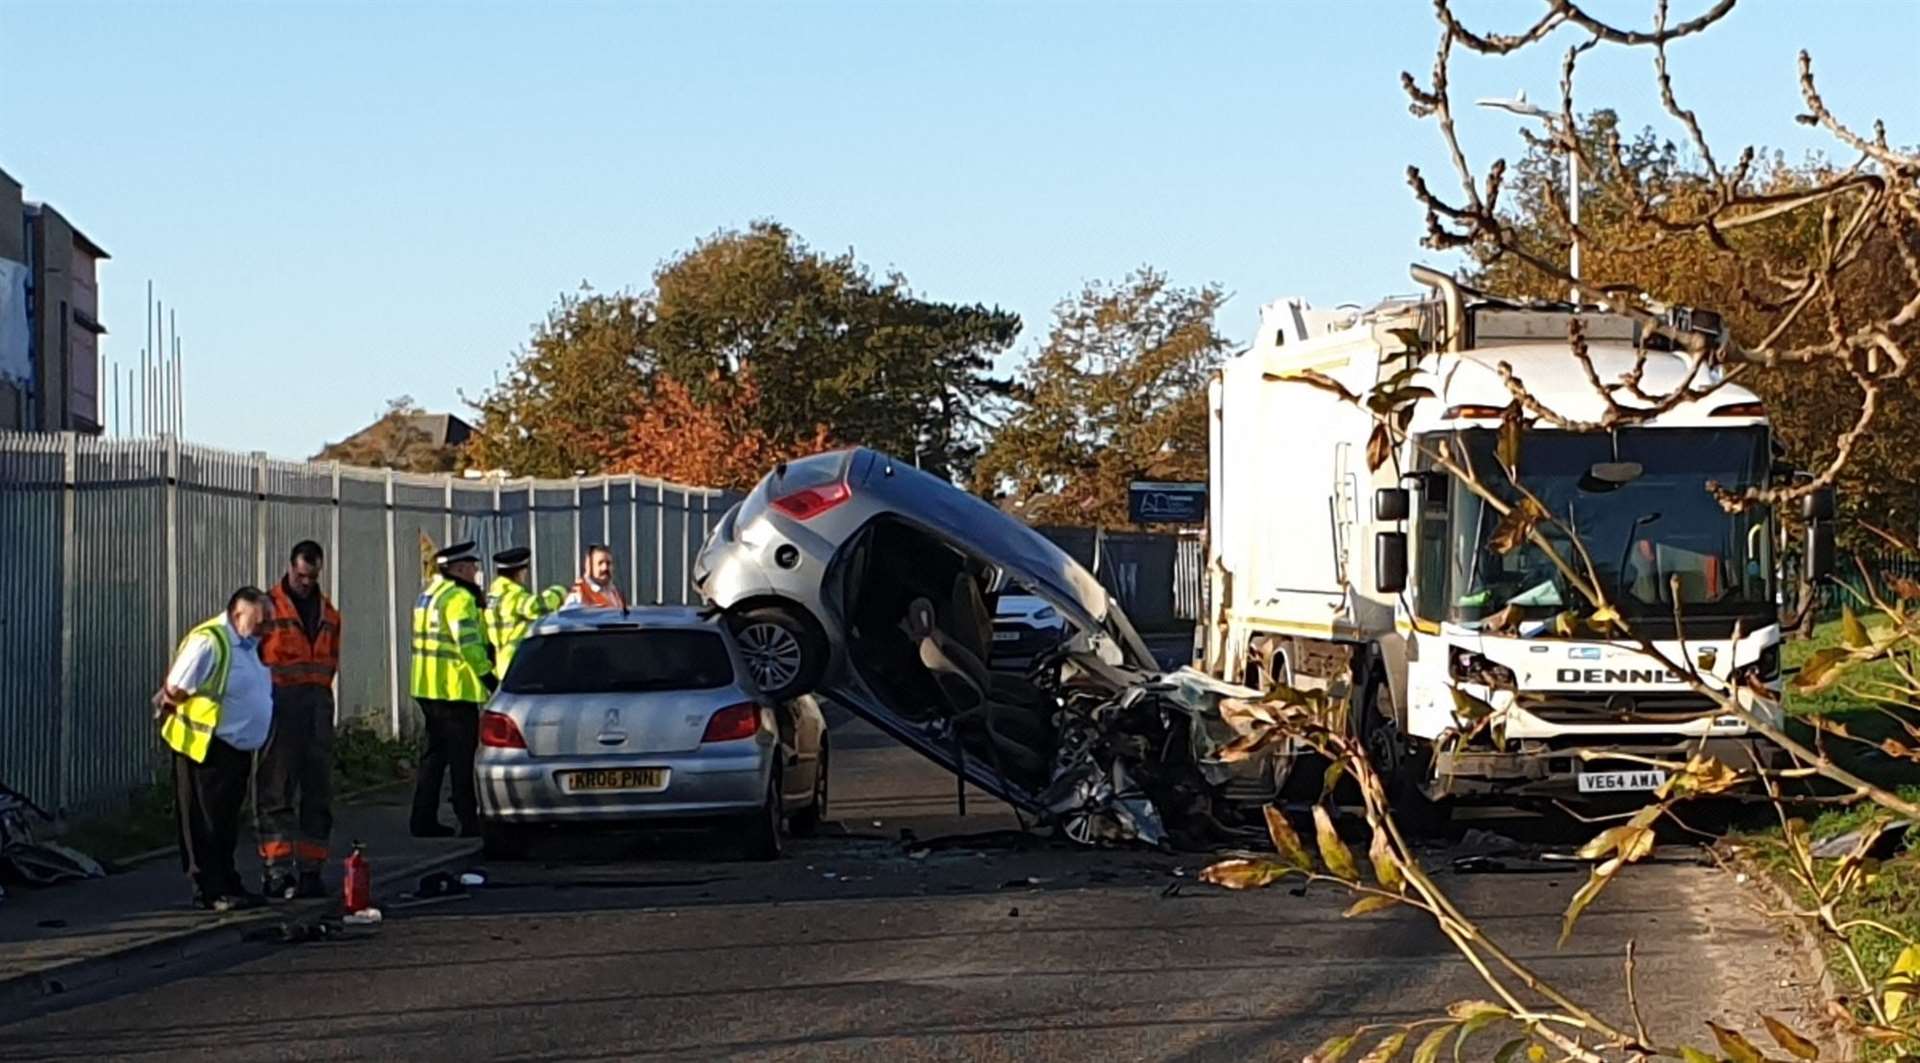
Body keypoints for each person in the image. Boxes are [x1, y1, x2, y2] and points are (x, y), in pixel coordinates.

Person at [153, 587, 275, 911]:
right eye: (261, 621)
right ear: (238, 615)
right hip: (206, 750)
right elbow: (175, 687)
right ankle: (209, 890)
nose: (267, 628)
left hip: (234, 751)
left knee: (225, 823)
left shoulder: (247, 645)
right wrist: (168, 703)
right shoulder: (210, 642)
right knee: (204, 824)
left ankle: (228, 882)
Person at [256, 540, 342, 900]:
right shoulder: (268, 608)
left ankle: (311, 871)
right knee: (276, 790)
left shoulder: (328, 613)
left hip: (317, 704)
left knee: (318, 792)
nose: (305, 582)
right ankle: (277, 871)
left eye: (312, 576)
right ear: (290, 568)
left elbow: (331, 659)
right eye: (301, 575)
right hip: (280, 703)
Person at [409, 541, 495, 838]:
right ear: (459, 569)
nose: (475, 573)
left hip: (426, 686)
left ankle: (422, 819)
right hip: (454, 689)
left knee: (434, 756)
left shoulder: (429, 594)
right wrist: (489, 678)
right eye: (472, 568)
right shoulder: (459, 598)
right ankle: (468, 821)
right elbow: (468, 644)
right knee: (462, 758)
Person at [484, 546, 566, 680]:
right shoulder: (513, 595)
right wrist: (559, 592)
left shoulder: (494, 595)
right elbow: (537, 607)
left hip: (501, 663)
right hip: (517, 662)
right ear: (519, 572)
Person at [564, 544, 627, 610]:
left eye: (608, 563)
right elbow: (570, 618)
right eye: (600, 563)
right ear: (588, 566)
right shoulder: (579, 594)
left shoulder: (615, 593)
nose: (605, 568)